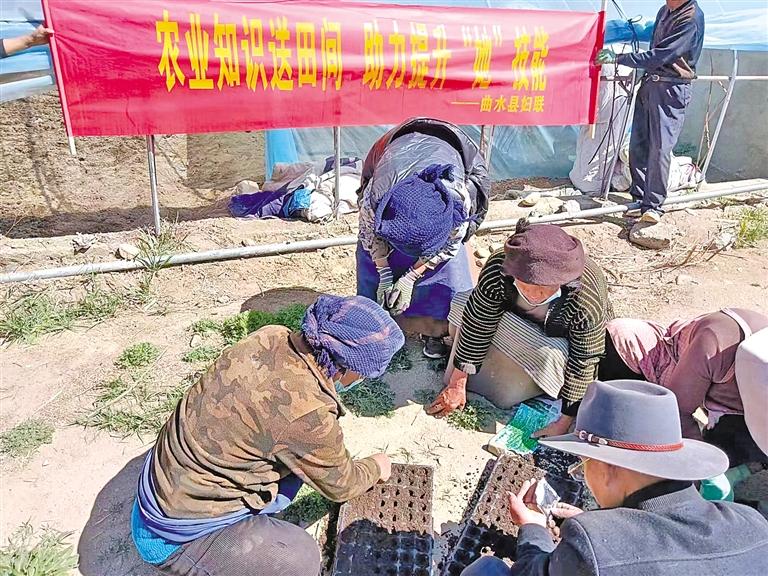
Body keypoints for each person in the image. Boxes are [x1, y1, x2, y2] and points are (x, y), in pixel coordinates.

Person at [131, 295, 405, 576]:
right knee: (298, 558)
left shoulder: (271, 335)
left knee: (300, 464)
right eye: (364, 374)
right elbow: (342, 485)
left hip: (165, 482)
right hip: (173, 534)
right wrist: (376, 467)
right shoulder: (308, 414)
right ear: (347, 368)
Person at [460, 379, 768, 576]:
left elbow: (531, 572)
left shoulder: (590, 542)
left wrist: (533, 528)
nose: (584, 476)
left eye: (582, 466)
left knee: (487, 570)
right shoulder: (752, 523)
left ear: (607, 467)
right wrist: (608, 530)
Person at [428, 221, 613, 438]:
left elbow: (585, 359)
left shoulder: (584, 297)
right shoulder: (499, 268)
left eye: (543, 289)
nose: (534, 295)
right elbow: (479, 320)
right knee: (465, 302)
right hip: (513, 319)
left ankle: (527, 386)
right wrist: (457, 381)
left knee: (552, 355)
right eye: (526, 286)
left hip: (556, 339)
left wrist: (564, 422)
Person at [356, 117, 489, 359]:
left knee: (448, 272)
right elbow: (370, 235)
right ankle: (376, 326)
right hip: (395, 162)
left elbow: (449, 246)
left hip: (451, 156)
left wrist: (410, 276)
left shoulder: (458, 203)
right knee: (370, 267)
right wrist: (384, 272)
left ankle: (435, 330)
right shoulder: (376, 198)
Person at [602, 308, 768, 467]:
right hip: (628, 363)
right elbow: (677, 414)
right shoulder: (715, 344)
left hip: (712, 383)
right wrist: (702, 468)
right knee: (633, 439)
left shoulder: (758, 370)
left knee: (742, 446)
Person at [597, 0, 705, 224]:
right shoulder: (664, 11)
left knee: (660, 147)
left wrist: (619, 58)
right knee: (639, 144)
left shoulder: (691, 17)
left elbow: (661, 55)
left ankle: (654, 205)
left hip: (671, 89)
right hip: (651, 84)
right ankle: (639, 199)